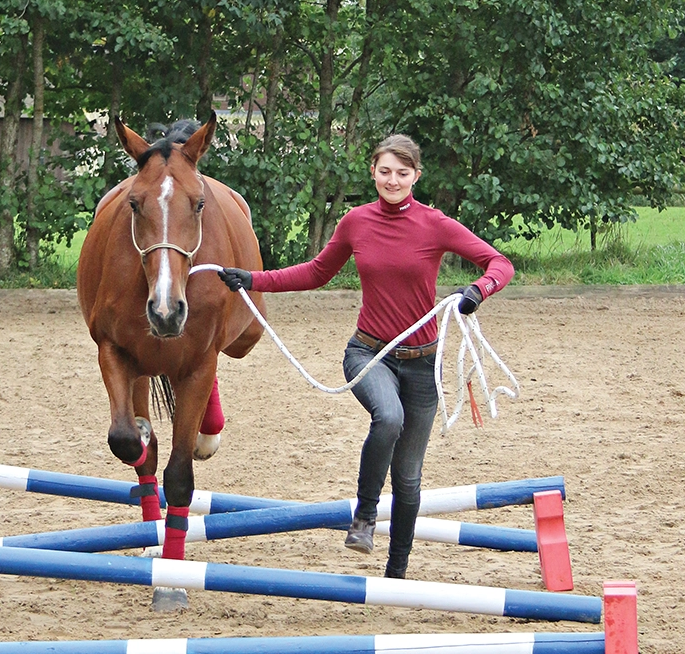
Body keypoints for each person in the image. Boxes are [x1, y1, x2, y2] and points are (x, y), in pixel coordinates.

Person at [217, 135, 514, 579]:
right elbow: (316, 272)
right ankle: (365, 516)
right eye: (385, 171)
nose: (392, 180)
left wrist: (476, 292)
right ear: (372, 171)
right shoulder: (356, 222)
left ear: (416, 176)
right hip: (368, 354)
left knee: (410, 480)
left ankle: (397, 572)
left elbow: (500, 264)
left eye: (402, 172)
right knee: (388, 418)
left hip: (422, 364)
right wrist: (253, 280)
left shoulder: (436, 225)